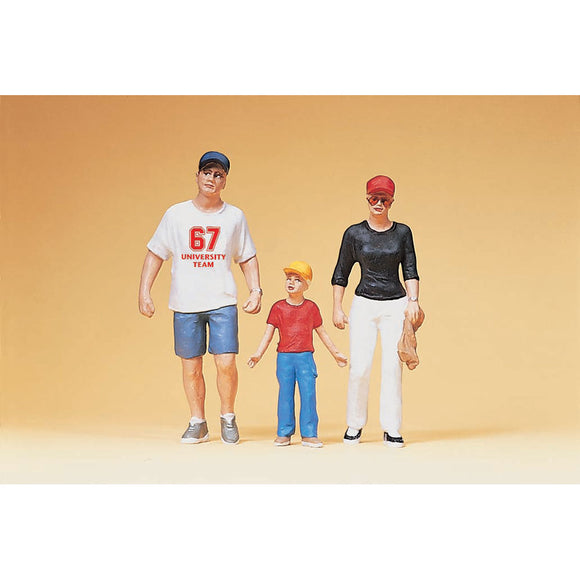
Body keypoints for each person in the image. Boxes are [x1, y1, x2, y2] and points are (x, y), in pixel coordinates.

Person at [139, 151, 262, 445]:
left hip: (222, 301)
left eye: (218, 175)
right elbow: (156, 253)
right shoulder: (176, 215)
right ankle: (198, 421)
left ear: (225, 182)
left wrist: (255, 290)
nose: (212, 179)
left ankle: (228, 416)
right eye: (207, 172)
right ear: (197, 176)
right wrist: (144, 291)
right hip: (186, 303)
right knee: (191, 366)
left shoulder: (234, 217)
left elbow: (246, 256)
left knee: (226, 362)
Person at [331, 175, 421, 448]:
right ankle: (354, 423)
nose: (378, 203)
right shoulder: (354, 234)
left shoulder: (402, 233)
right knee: (359, 367)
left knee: (393, 366)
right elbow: (341, 272)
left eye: (384, 199)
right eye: (374, 198)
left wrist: (413, 300)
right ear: (367, 199)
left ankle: (391, 427)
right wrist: (337, 307)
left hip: (395, 304)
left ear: (392, 202)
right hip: (364, 304)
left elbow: (410, 269)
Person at [248, 261, 347, 448]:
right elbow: (268, 335)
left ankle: (309, 434)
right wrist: (258, 354)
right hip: (285, 358)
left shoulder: (311, 308)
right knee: (285, 395)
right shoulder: (278, 308)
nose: (291, 282)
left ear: (307, 284)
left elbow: (322, 333)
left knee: (308, 395)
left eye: (297, 279)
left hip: (305, 358)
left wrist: (336, 354)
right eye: (288, 278)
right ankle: (284, 432)